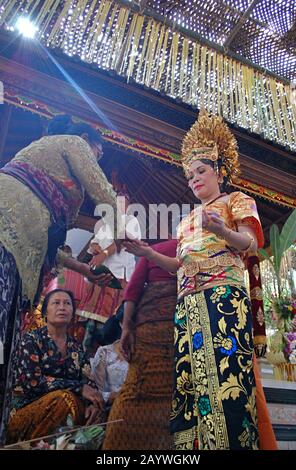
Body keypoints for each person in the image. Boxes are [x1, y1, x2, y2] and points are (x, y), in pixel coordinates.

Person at [123, 111, 266, 450]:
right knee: (190, 384)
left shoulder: (237, 200)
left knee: (226, 378)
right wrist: (147, 253)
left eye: (201, 171)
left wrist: (220, 229)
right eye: (189, 176)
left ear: (219, 172)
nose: (194, 179)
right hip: (187, 305)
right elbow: (178, 265)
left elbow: (251, 243)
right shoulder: (185, 221)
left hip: (223, 301)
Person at [0, 114, 119, 441]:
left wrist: (83, 269)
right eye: (99, 150)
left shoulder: (79, 348)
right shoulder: (73, 142)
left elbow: (54, 252)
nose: (98, 157)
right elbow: (107, 197)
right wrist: (130, 237)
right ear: (86, 139)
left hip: (20, 252)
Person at [102, 239, 177, 450]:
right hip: (183, 332)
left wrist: (126, 327)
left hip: (149, 331)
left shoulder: (152, 251)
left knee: (134, 390)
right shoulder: (202, 249)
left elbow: (133, 291)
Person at [6, 289, 104, 443]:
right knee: (63, 399)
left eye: (67, 303)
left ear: (73, 313)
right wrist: (78, 388)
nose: (62, 307)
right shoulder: (31, 340)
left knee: (99, 416)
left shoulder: (77, 348)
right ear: (45, 312)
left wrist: (92, 405)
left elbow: (88, 382)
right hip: (25, 413)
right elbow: (33, 383)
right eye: (56, 303)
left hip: (66, 415)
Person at [90, 307, 129, 422]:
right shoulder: (105, 353)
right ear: (121, 323)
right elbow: (96, 390)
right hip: (109, 413)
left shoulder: (148, 355)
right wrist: (113, 396)